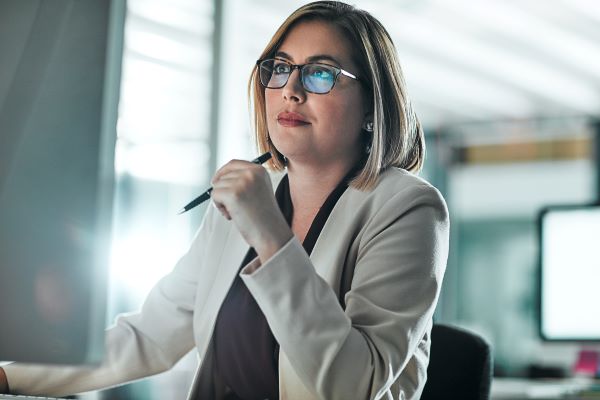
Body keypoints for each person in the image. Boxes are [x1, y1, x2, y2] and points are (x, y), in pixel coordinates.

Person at [0, 1, 449, 399]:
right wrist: (7, 377)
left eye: (320, 73)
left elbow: (355, 387)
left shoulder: (407, 208)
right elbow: (149, 338)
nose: (291, 90)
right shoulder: (245, 199)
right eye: (279, 67)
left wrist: (270, 235)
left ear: (373, 106)